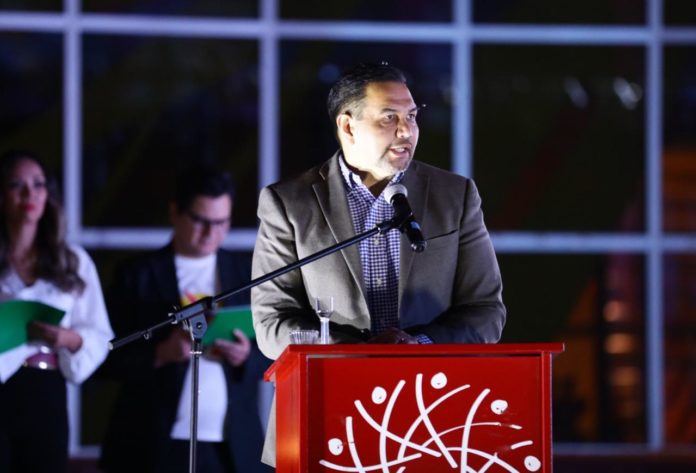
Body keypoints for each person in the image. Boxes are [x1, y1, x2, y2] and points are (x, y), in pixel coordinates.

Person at [251, 62, 507, 465]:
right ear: (348, 126)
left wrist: (417, 347)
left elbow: (486, 311)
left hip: (435, 419)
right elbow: (271, 325)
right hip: (326, 417)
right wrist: (358, 354)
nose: (407, 131)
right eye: (389, 118)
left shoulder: (454, 195)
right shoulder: (290, 203)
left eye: (412, 117)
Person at [99, 165, 272, 473]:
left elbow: (272, 352)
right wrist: (160, 353)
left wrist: (245, 356)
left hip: (231, 443)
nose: (211, 233)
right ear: (175, 212)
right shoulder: (138, 275)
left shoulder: (245, 274)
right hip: (152, 441)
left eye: (221, 223)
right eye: (201, 221)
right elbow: (105, 357)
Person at [0, 150, 113, 473]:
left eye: (38, 185)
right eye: (17, 185)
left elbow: (100, 333)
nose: (29, 194)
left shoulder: (72, 261)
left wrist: (69, 339)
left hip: (45, 388)